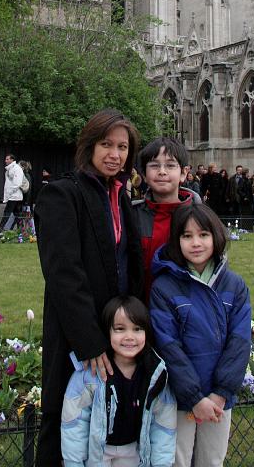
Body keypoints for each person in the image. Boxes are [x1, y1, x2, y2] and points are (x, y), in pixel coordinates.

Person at [34, 109, 144, 467]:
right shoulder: (61, 195)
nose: (115, 154)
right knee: (65, 419)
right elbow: (64, 273)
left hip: (117, 330)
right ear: (89, 146)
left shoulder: (120, 197)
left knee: (109, 427)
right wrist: (89, 340)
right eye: (106, 144)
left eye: (123, 147)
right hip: (77, 334)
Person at [150, 204, 251, 467]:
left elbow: (239, 342)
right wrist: (194, 397)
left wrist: (221, 392)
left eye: (203, 235)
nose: (196, 243)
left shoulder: (235, 285)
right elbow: (168, 345)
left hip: (219, 397)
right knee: (176, 460)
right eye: (187, 236)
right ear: (177, 241)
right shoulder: (164, 287)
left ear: (215, 236)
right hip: (181, 397)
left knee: (211, 461)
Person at [61, 295, 177, 467]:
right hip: (99, 454)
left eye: (137, 329)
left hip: (133, 451)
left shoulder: (154, 375)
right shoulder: (90, 375)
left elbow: (163, 425)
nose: (129, 337)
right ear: (107, 332)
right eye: (120, 329)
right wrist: (74, 462)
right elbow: (75, 422)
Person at [133, 136, 201, 297]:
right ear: (143, 174)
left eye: (170, 165)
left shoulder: (201, 217)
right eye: (154, 165)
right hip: (140, 310)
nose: (162, 171)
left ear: (184, 173)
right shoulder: (131, 216)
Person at [0, 154, 24, 230]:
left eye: (7, 159)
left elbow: (17, 183)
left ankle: (0, 228)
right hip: (13, 195)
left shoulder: (16, 168)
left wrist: (10, 192)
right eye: (6, 159)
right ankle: (21, 228)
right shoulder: (10, 169)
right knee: (16, 213)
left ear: (12, 160)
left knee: (7, 212)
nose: (5, 161)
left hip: (14, 195)